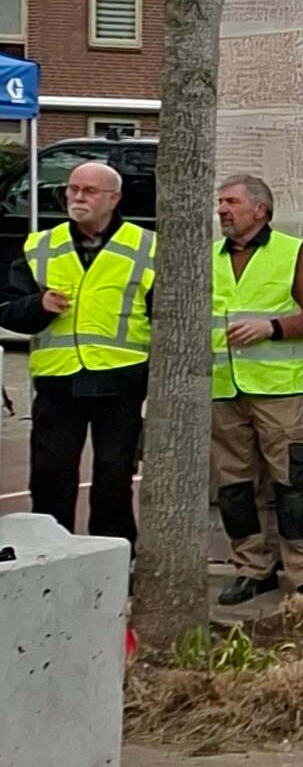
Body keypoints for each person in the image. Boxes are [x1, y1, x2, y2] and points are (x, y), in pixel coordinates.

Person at [2, 157, 155, 546]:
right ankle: (50, 555)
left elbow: (166, 319)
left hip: (119, 381)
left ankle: (115, 557)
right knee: (51, 477)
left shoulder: (146, 247)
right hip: (59, 382)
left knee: (113, 477)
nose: (77, 197)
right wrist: (38, 305)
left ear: (113, 198)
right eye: (72, 189)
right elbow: (7, 308)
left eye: (89, 191)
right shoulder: (42, 245)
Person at [208, 172, 303, 608]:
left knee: (291, 482)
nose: (222, 210)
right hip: (223, 388)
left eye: (231, 202)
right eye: (220, 202)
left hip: (277, 390)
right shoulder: (209, 256)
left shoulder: (291, 253)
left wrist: (272, 327)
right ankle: (251, 569)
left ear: (259, 209)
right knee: (235, 486)